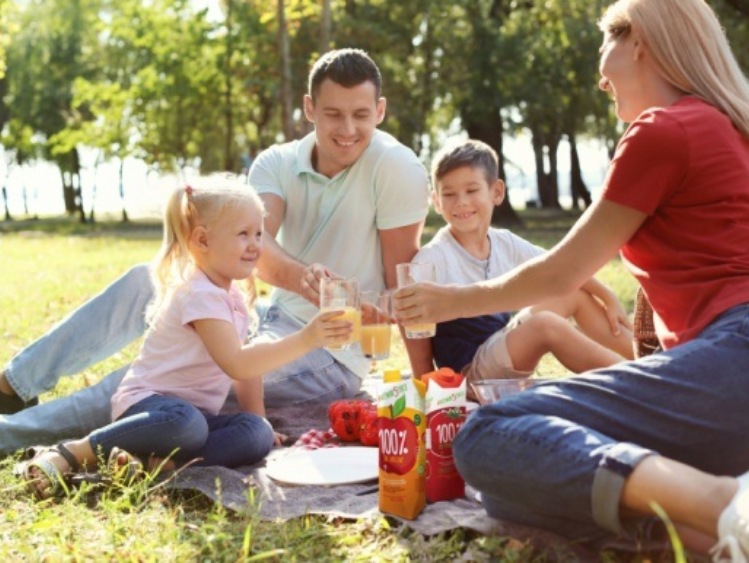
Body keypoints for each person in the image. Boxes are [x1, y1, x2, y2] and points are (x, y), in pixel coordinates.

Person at [393, 0, 749, 558]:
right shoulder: (729, 127)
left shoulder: (665, 128)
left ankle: (724, 504)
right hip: (724, 381)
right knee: (526, 487)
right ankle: (702, 530)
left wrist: (449, 300)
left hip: (735, 360)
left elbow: (563, 270)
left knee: (489, 437)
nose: (599, 74)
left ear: (640, 42)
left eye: (604, 44)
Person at [0, 47, 430, 456]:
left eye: (360, 115)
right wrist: (304, 280)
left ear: (380, 111)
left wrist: (425, 381)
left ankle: (11, 434)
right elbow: (256, 247)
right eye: (334, 114)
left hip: (329, 351)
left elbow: (403, 280)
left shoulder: (396, 168)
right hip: (268, 315)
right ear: (310, 108)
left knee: (156, 386)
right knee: (144, 279)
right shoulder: (276, 163)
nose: (348, 129)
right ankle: (13, 384)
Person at [21, 177, 354, 499]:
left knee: (255, 435)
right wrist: (306, 338)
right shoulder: (199, 293)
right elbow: (236, 364)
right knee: (187, 425)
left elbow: (250, 363)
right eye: (243, 234)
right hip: (149, 407)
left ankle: (156, 464)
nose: (256, 244)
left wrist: (260, 420)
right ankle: (75, 451)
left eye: (259, 233)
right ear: (203, 240)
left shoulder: (232, 295)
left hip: (194, 416)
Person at [405, 139, 633, 381]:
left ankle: (647, 361)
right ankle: (639, 380)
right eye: (449, 194)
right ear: (437, 201)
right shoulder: (433, 257)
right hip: (469, 373)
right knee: (545, 324)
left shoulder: (504, 242)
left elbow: (558, 268)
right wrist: (427, 382)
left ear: (497, 192)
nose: (461, 201)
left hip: (500, 346)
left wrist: (607, 295)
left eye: (471, 190)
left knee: (572, 293)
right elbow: (404, 308)